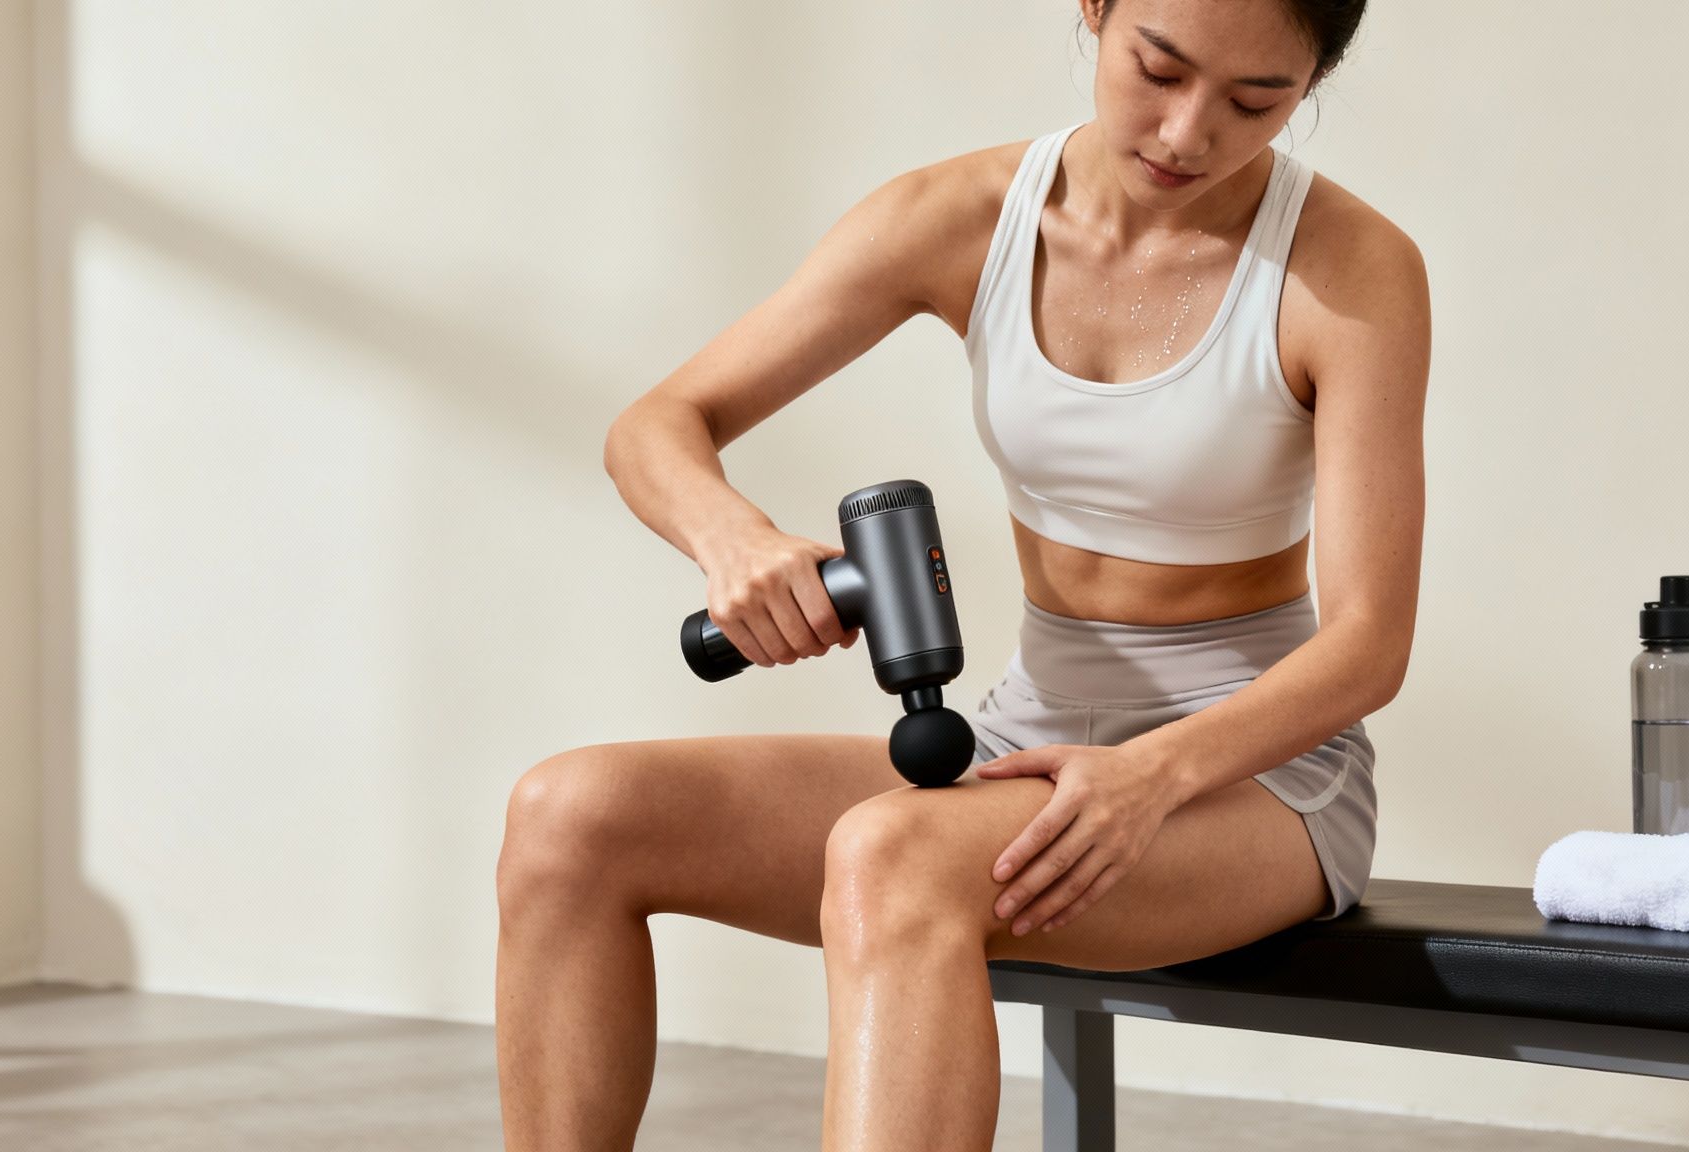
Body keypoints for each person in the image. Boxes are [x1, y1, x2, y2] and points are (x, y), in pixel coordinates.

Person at [495, 0, 1426, 1146]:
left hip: (1254, 780)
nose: (1186, 133)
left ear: (1309, 82)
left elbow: (1369, 642)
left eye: (1254, 101)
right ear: (1094, 11)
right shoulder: (961, 218)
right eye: (1158, 67)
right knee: (568, 814)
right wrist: (732, 539)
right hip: (1023, 741)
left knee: (892, 854)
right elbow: (657, 423)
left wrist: (1152, 777)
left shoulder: (1349, 270)